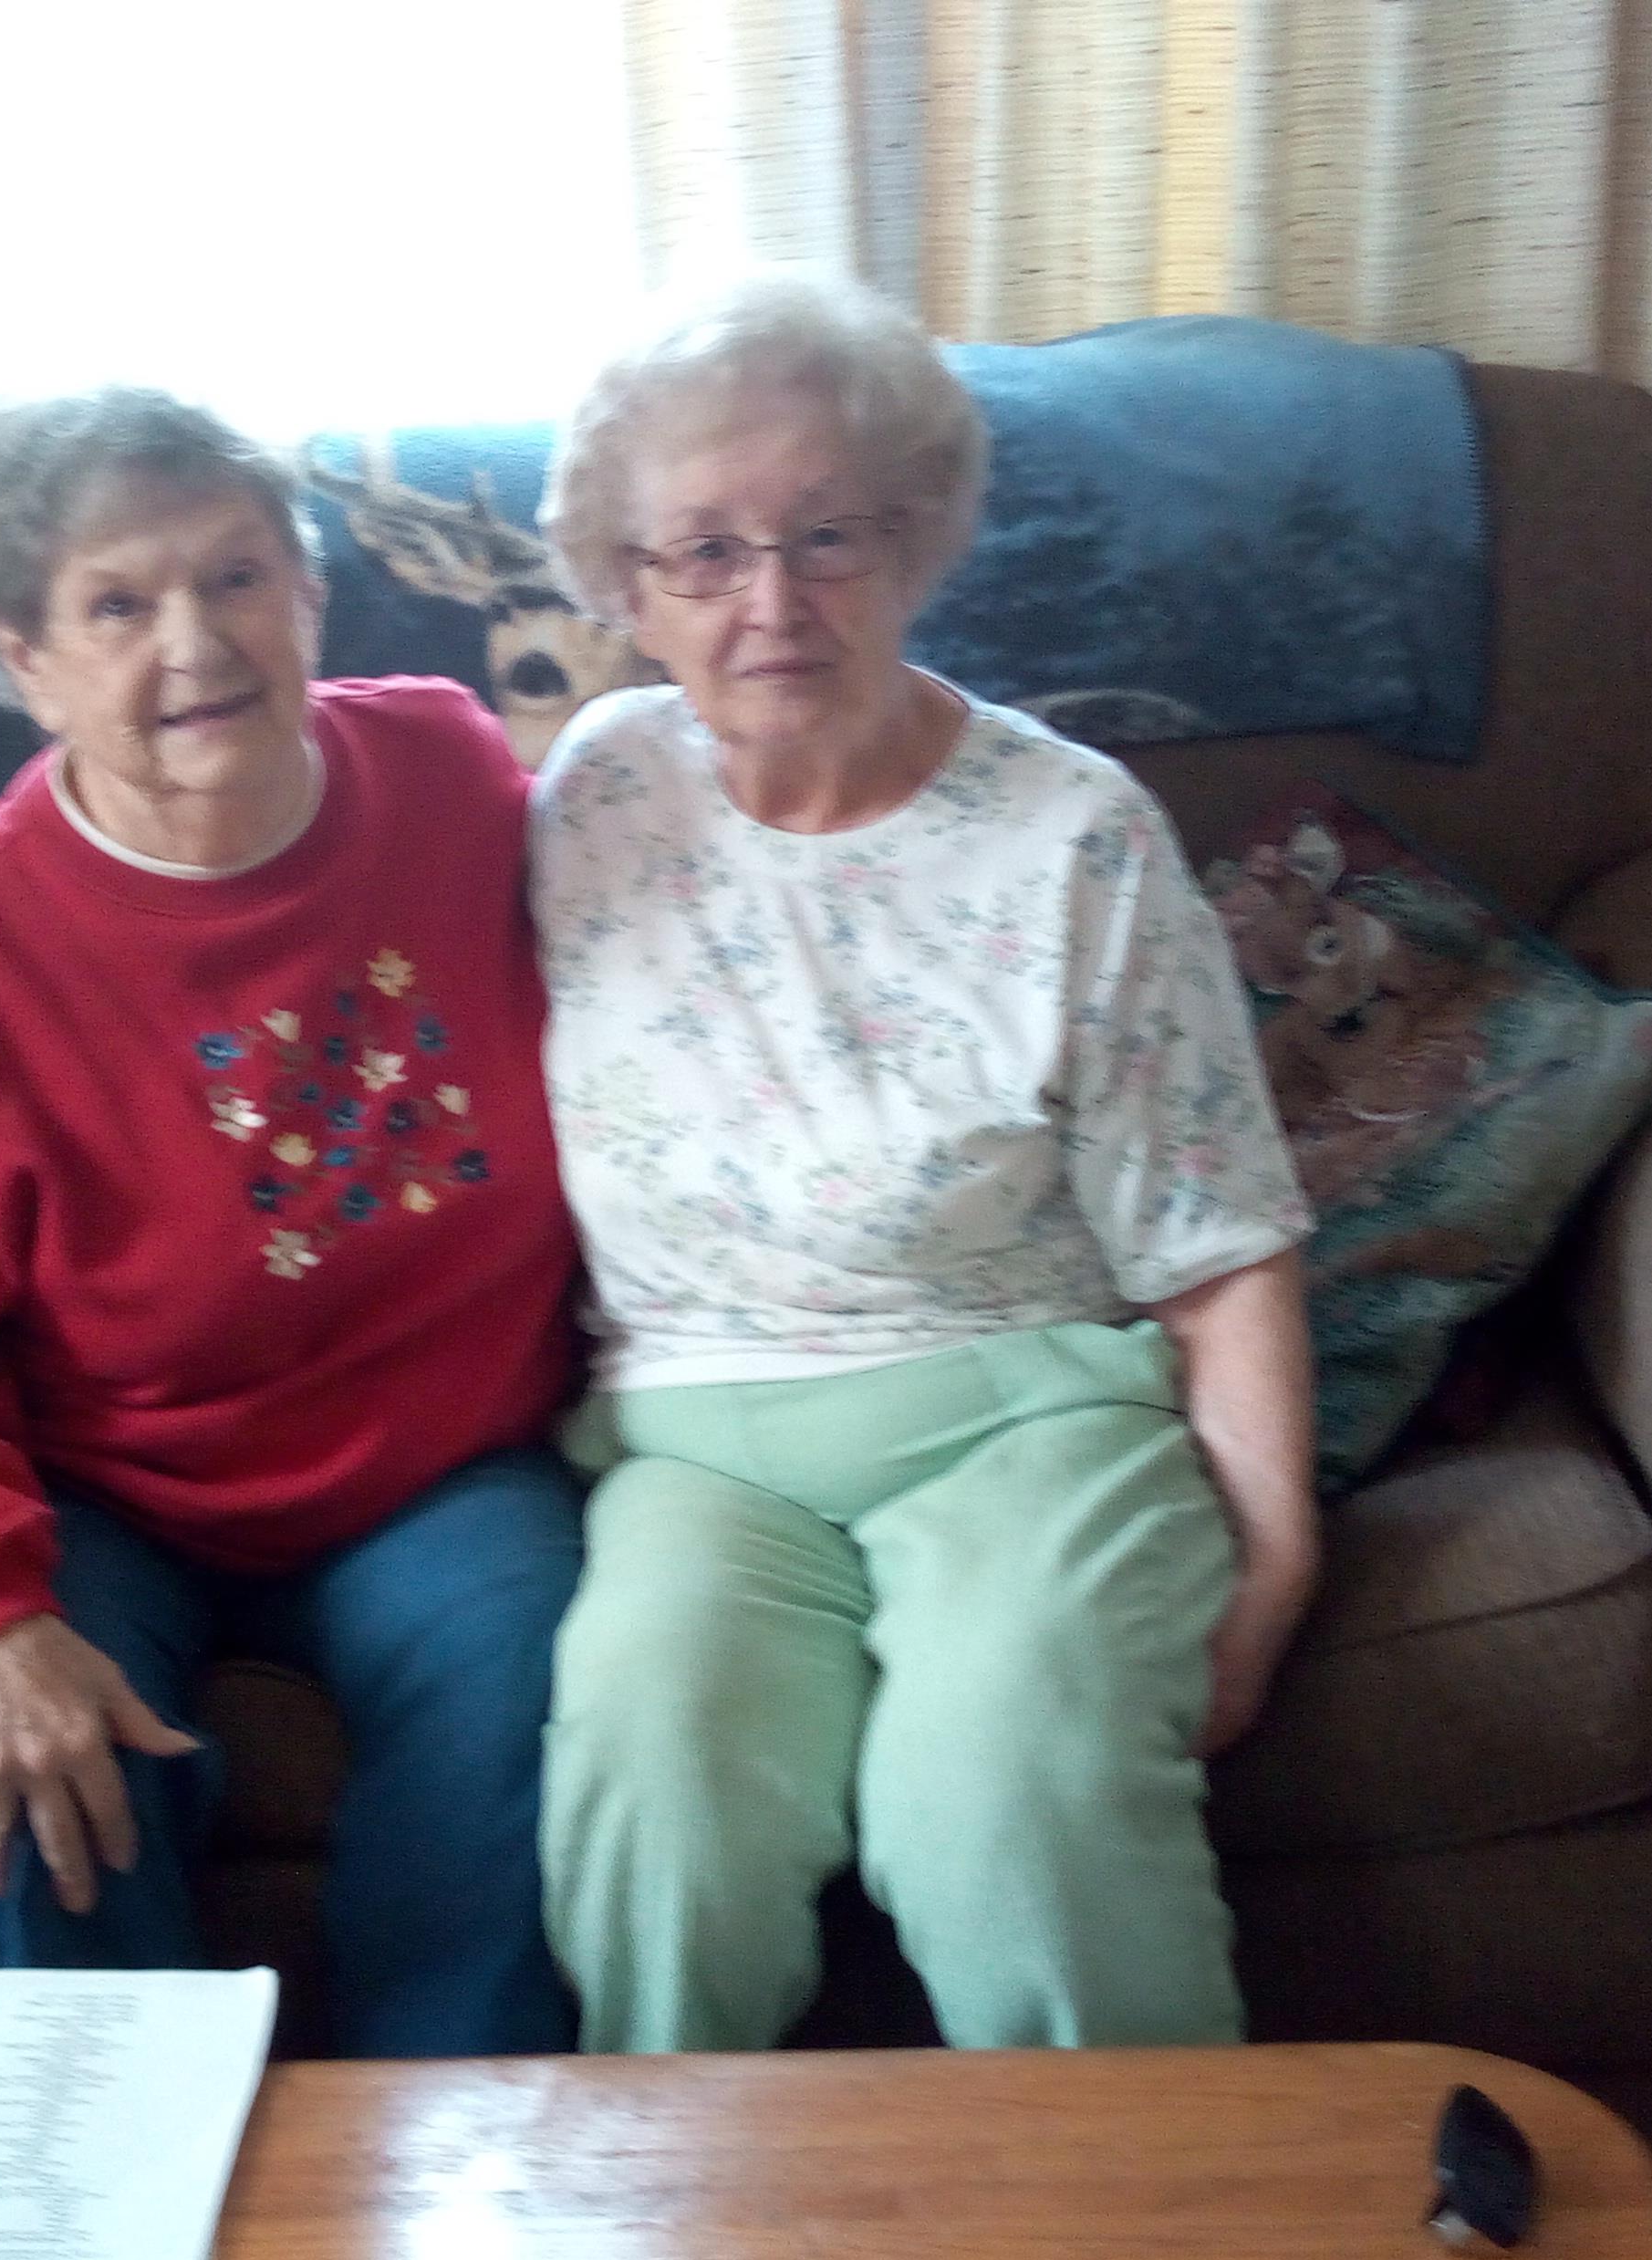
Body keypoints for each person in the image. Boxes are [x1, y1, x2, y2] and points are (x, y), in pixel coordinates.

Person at [0, 386, 583, 2057]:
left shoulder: (453, 775)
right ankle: (113, 2217)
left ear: (311, 598)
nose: (195, 641)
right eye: (120, 605)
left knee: (543, 1713)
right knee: (31, 1790)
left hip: (435, 1468)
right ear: (22, 658)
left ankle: (442, 2176)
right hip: (82, 1477)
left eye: (237, 578)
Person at [528, 273, 1321, 2054]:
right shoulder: (593, 793)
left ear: (921, 536)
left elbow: (1217, 1243)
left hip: (1023, 1426)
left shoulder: (1073, 837)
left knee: (1000, 1804)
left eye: (826, 536)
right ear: (627, 589)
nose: (771, 601)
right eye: (703, 554)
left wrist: (1268, 1572)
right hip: (698, 1458)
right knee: (650, 1799)